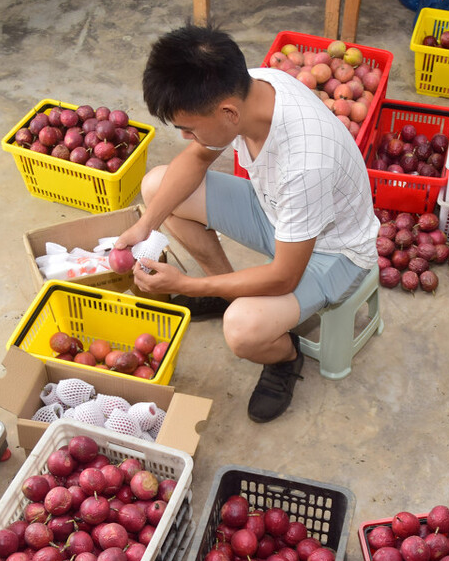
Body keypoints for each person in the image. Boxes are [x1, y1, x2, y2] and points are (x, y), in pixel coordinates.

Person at [114, 25, 379, 423]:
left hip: (333, 253)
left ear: (228, 113)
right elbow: (197, 158)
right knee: (156, 187)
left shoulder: (306, 162)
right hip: (279, 213)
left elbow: (284, 278)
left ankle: (285, 358)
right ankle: (228, 294)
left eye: (189, 127)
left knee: (242, 330)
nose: (187, 137)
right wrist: (145, 226)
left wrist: (186, 285)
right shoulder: (255, 85)